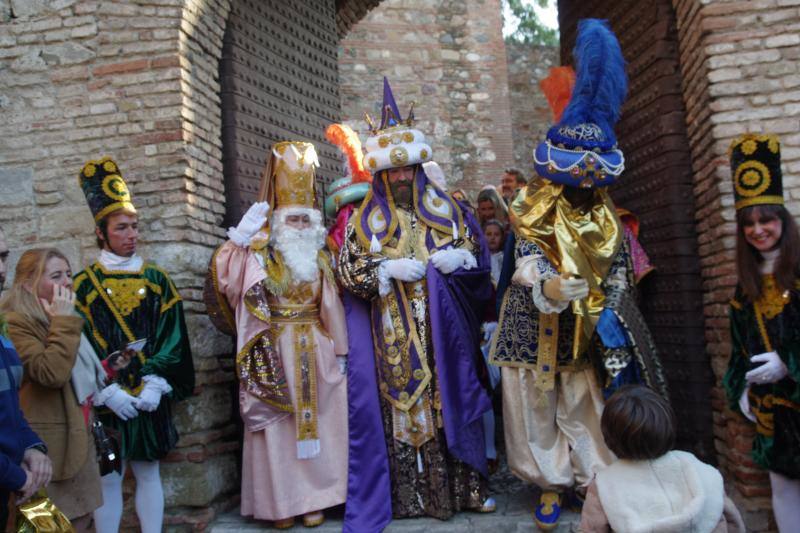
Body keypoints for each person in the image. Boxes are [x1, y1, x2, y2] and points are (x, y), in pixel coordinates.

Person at [490, 21, 667, 530]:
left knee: (586, 405)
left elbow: (619, 266)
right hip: (532, 324)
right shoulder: (532, 206)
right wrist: (544, 284)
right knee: (535, 407)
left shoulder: (607, 215)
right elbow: (524, 255)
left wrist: (609, 305)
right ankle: (548, 482)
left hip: (587, 327)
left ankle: (595, 481)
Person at [338, 78, 495, 532]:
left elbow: (477, 258)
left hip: (443, 333)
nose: (403, 178)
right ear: (382, 174)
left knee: (450, 402)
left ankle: (464, 489)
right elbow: (348, 270)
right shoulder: (363, 221)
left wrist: (461, 258)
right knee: (402, 410)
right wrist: (385, 271)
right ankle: (407, 497)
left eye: (409, 170)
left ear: (419, 169)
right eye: (393, 172)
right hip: (391, 333)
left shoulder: (448, 211)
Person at [206, 141, 348, 528]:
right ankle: (281, 503)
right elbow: (228, 282)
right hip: (274, 350)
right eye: (293, 221)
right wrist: (236, 243)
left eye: (305, 221)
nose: (300, 228)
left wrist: (341, 353)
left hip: (315, 347)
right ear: (279, 222)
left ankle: (318, 499)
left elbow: (331, 306)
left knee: (320, 423)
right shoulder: (258, 255)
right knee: (279, 428)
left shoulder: (321, 257)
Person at [73, 157, 194, 533]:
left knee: (149, 471)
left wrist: (156, 383)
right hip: (108, 400)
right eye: (121, 227)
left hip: (148, 396)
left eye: (134, 226)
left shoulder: (157, 279)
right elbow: (79, 346)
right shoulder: (84, 286)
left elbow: (172, 335)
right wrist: (106, 393)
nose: (131, 234)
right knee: (108, 478)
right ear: (101, 232)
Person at [723, 133, 800, 533]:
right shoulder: (745, 286)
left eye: (766, 220)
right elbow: (741, 348)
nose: (757, 230)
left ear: (782, 221)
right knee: (784, 492)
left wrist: (788, 364)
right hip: (774, 413)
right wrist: (741, 387)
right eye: (749, 223)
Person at [1, 249, 105, 530]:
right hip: (49, 454)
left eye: (69, 274)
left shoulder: (59, 319)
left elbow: (80, 376)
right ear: (27, 283)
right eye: (56, 275)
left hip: (78, 442)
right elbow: (51, 373)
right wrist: (63, 321)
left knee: (83, 521)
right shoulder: (15, 322)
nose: (68, 282)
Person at [580, 385, 744, 532]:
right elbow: (731, 519)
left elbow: (592, 528)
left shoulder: (605, 484)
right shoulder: (699, 469)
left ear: (609, 437)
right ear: (669, 425)